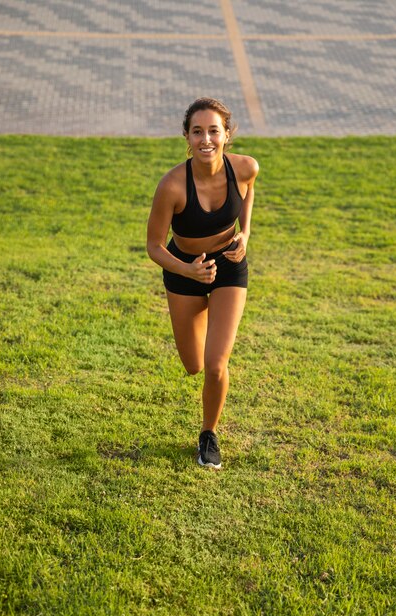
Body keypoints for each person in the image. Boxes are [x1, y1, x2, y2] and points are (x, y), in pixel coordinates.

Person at [147, 97, 259, 469]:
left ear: (227, 135)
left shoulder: (244, 168)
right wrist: (188, 271)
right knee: (193, 365)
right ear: (187, 136)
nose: (206, 139)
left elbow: (249, 193)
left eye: (214, 131)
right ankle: (204, 322)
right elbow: (153, 246)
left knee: (215, 364)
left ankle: (208, 434)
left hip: (229, 266)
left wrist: (245, 235)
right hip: (185, 271)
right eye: (198, 132)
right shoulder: (172, 186)